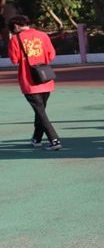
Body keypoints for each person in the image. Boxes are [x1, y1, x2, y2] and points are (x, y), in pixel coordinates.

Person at [7, 15, 61, 150]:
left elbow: (14, 60)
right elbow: (51, 55)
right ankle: (37, 138)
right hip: (45, 78)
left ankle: (54, 140)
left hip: (29, 81)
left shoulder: (15, 39)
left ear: (16, 26)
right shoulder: (43, 35)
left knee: (40, 112)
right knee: (40, 111)